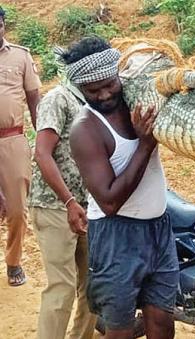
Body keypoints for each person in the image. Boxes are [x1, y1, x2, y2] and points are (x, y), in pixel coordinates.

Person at [68, 36, 177, 339]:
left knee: (163, 322)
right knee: (121, 329)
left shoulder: (137, 101)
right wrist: (144, 145)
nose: (104, 94)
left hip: (158, 228)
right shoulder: (86, 129)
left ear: (119, 75)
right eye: (93, 90)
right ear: (80, 89)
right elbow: (109, 202)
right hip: (116, 235)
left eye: (109, 84)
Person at [29, 67, 96, 338]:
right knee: (62, 286)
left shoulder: (91, 103)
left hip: (86, 206)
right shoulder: (58, 99)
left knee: (93, 285)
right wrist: (69, 201)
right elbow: (42, 153)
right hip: (54, 205)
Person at [0, 5, 41, 286]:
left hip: (12, 139)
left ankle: (13, 262)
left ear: (3, 24)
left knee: (16, 209)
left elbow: (35, 100)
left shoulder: (20, 56)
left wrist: (45, 140)